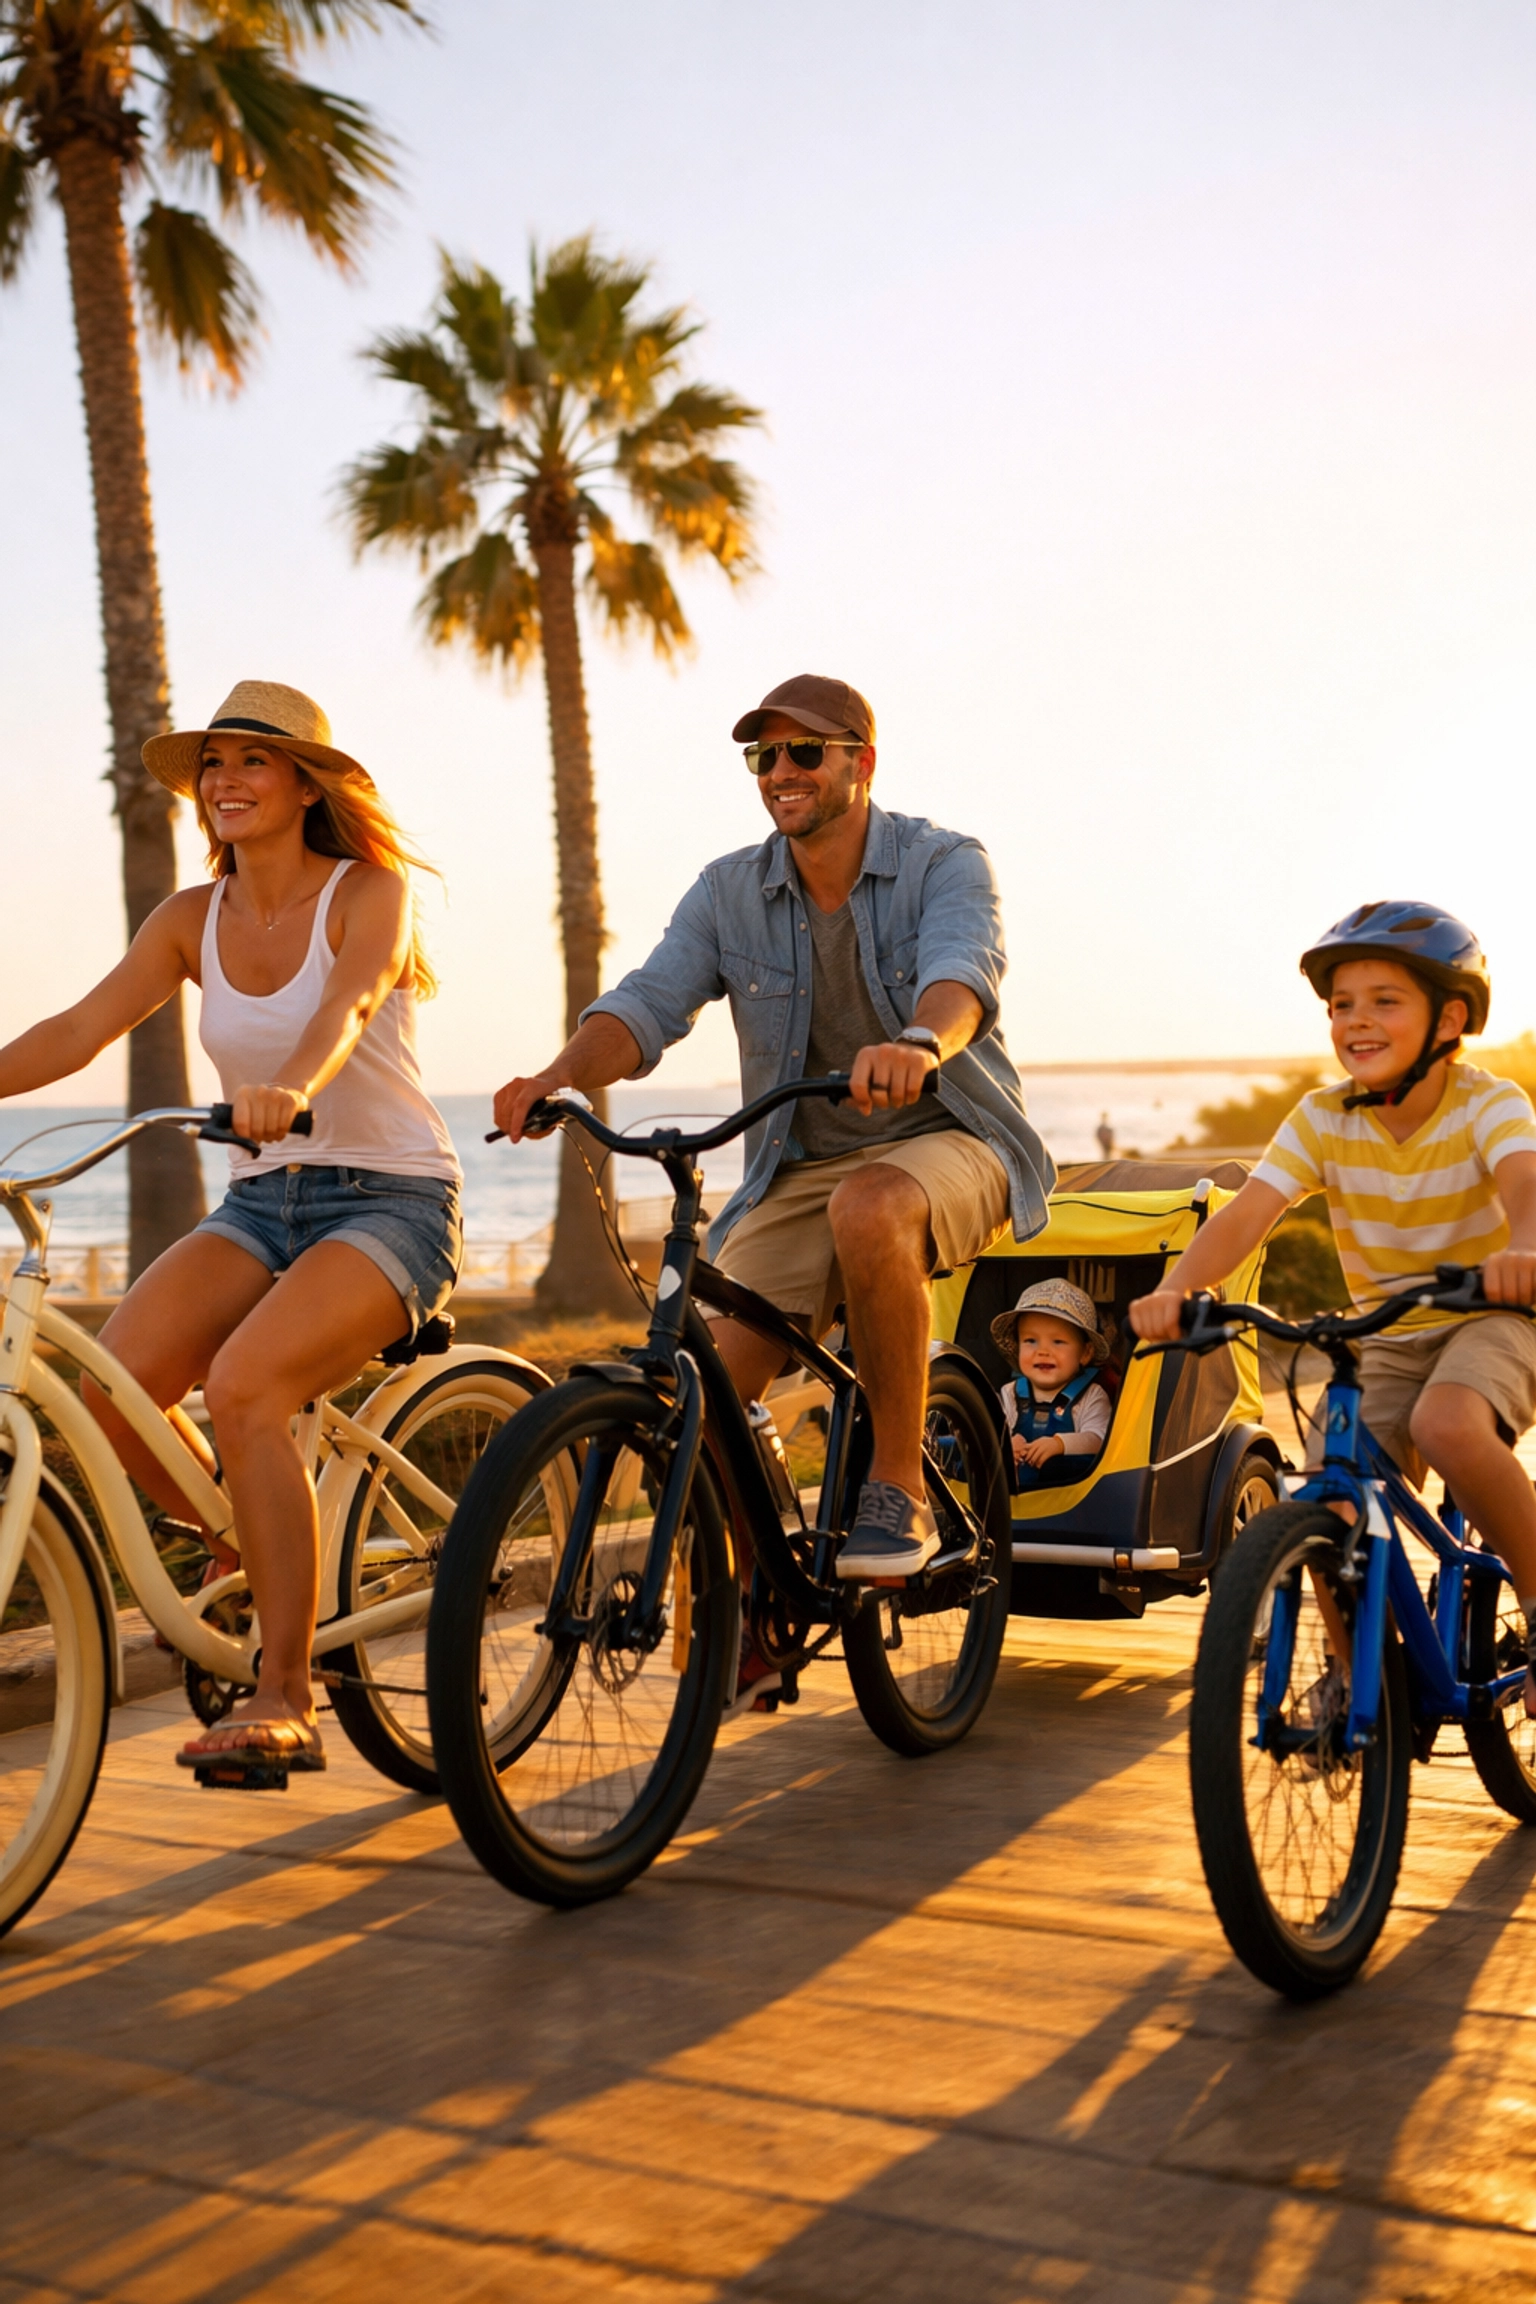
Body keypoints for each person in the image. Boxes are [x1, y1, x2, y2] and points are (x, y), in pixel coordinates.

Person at [493, 673, 1055, 1679]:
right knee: (700, 1390)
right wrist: (557, 1076)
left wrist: (921, 1039)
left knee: (872, 1204)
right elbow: (649, 1001)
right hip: (798, 1167)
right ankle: (759, 1590)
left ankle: (897, 1486)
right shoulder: (727, 893)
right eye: (764, 756)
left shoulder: (943, 861)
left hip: (950, 1136)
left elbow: (965, 969)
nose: (781, 773)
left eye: (805, 753)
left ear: (860, 763)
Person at [0, 681, 462, 1776]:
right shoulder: (185, 917)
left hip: (390, 1198)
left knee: (246, 1387)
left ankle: (288, 1687)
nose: (226, 781)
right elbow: (76, 1028)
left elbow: (349, 1003)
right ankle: (246, 1551)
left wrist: (289, 1084)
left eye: (253, 761)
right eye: (213, 764)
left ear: (307, 785)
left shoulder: (369, 893)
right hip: (262, 1203)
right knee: (111, 1400)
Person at [1129, 902, 1536, 1714]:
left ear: (1450, 1018)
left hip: (1494, 1317)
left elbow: (1527, 1185)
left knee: (1447, 1427)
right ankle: (1361, 1676)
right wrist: (1181, 1291)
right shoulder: (1321, 1116)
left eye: (1385, 1000)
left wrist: (1523, 1253)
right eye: (1341, 1005)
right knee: (1325, 1490)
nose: (1357, 1021)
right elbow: (1248, 1214)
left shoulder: (1487, 1103)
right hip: (1384, 1334)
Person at [991, 1278, 1112, 1489]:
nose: (1043, 1351)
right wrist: (1006, 1446)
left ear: (1085, 1353)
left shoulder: (1092, 1395)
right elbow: (991, 1435)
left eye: (1057, 1342)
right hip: (1015, 1503)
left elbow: (1100, 1439)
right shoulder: (1009, 1393)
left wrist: (1059, 1444)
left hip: (1069, 1503)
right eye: (1030, 1341)